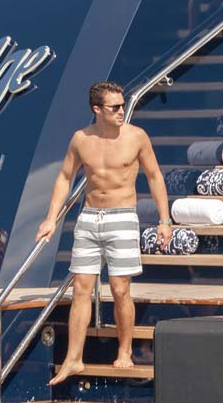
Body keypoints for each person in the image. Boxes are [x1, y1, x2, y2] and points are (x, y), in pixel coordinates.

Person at [37, 82, 170, 384]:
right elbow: (65, 177)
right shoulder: (81, 140)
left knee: (120, 289)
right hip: (88, 219)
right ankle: (74, 359)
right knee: (81, 289)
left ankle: (124, 351)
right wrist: (50, 219)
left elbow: (154, 176)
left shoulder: (136, 137)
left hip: (123, 218)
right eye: (114, 107)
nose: (122, 111)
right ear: (97, 109)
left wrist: (164, 220)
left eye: (122, 105)